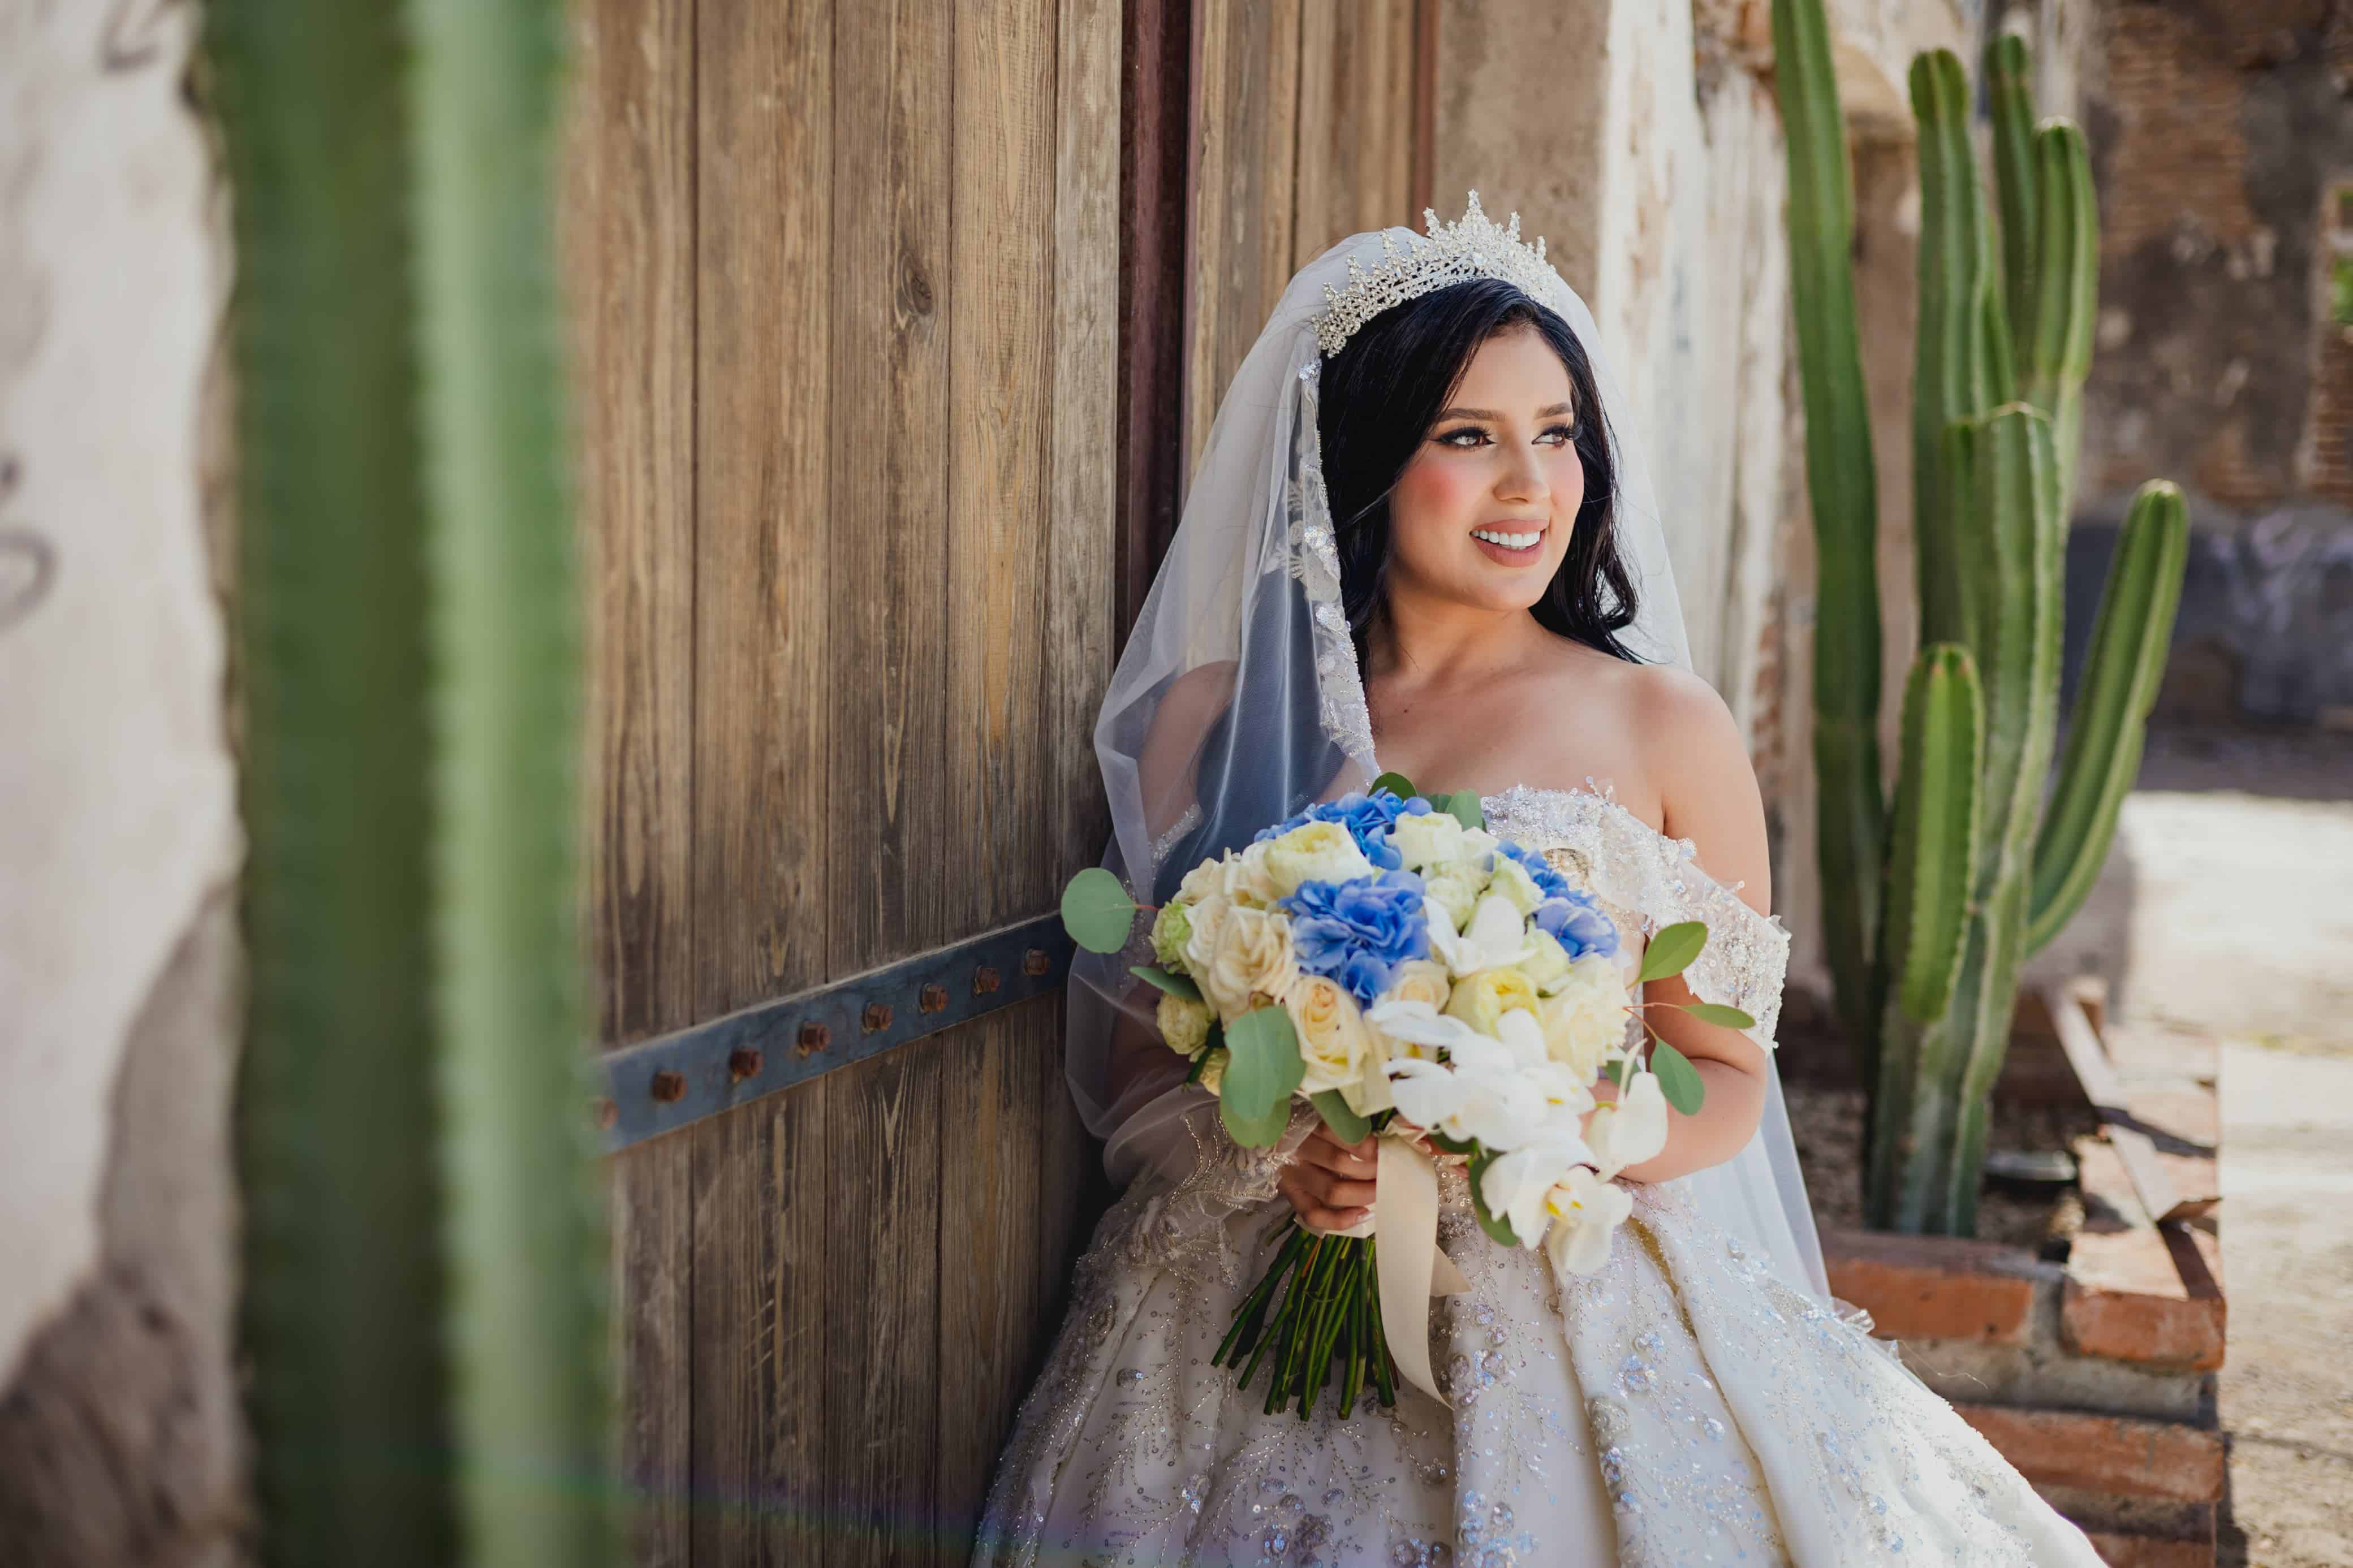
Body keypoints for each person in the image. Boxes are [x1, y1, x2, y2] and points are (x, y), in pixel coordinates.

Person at [972, 196, 2105, 1567]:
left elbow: (1725, 1080)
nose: (1531, 485)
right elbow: (1133, 1079)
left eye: (1556, 434)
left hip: (1573, 1302)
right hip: (1231, 1310)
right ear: (1366, 463)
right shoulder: (1210, 722)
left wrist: (1569, 1129)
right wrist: (1285, 1149)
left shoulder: (1660, 726)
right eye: (1469, 438)